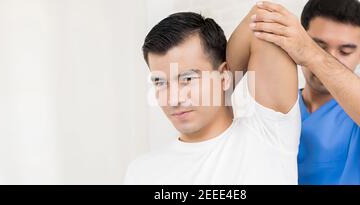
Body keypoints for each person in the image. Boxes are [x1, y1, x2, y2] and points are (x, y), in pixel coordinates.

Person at [250, 0, 360, 184]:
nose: (330, 58)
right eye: (319, 46)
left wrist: (314, 54)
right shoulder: (281, 106)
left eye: (345, 51)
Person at [124, 10, 300, 184]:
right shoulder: (141, 172)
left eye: (187, 79)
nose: (173, 99)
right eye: (160, 82)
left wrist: (223, 85)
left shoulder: (268, 135)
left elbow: (263, 17)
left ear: (224, 76)